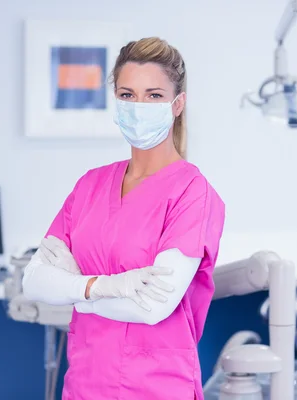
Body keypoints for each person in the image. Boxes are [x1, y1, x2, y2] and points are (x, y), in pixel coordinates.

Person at [22, 37, 226, 400]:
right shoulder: (90, 185)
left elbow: (152, 307)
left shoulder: (192, 192)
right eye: (127, 95)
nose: (138, 106)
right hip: (84, 382)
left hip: (156, 386)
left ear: (177, 104)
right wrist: (103, 287)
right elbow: (35, 282)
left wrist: (72, 289)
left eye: (154, 96)